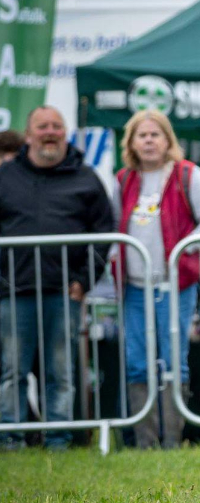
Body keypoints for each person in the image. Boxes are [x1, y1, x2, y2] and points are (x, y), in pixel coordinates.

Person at [0, 106, 114, 450]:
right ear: (29, 135)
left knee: (60, 372)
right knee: (11, 371)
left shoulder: (87, 178)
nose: (50, 132)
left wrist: (85, 280)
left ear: (65, 133)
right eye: (42, 126)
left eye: (56, 126)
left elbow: (103, 233)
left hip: (65, 293)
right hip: (12, 292)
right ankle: (10, 438)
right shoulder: (6, 176)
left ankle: (59, 439)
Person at [112, 110, 200, 449]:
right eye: (142, 135)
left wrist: (181, 249)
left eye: (155, 134)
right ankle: (145, 443)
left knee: (173, 360)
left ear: (167, 140)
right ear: (131, 143)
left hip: (175, 285)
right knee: (136, 362)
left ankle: (172, 441)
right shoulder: (122, 180)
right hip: (133, 287)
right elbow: (112, 227)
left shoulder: (187, 174)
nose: (149, 140)